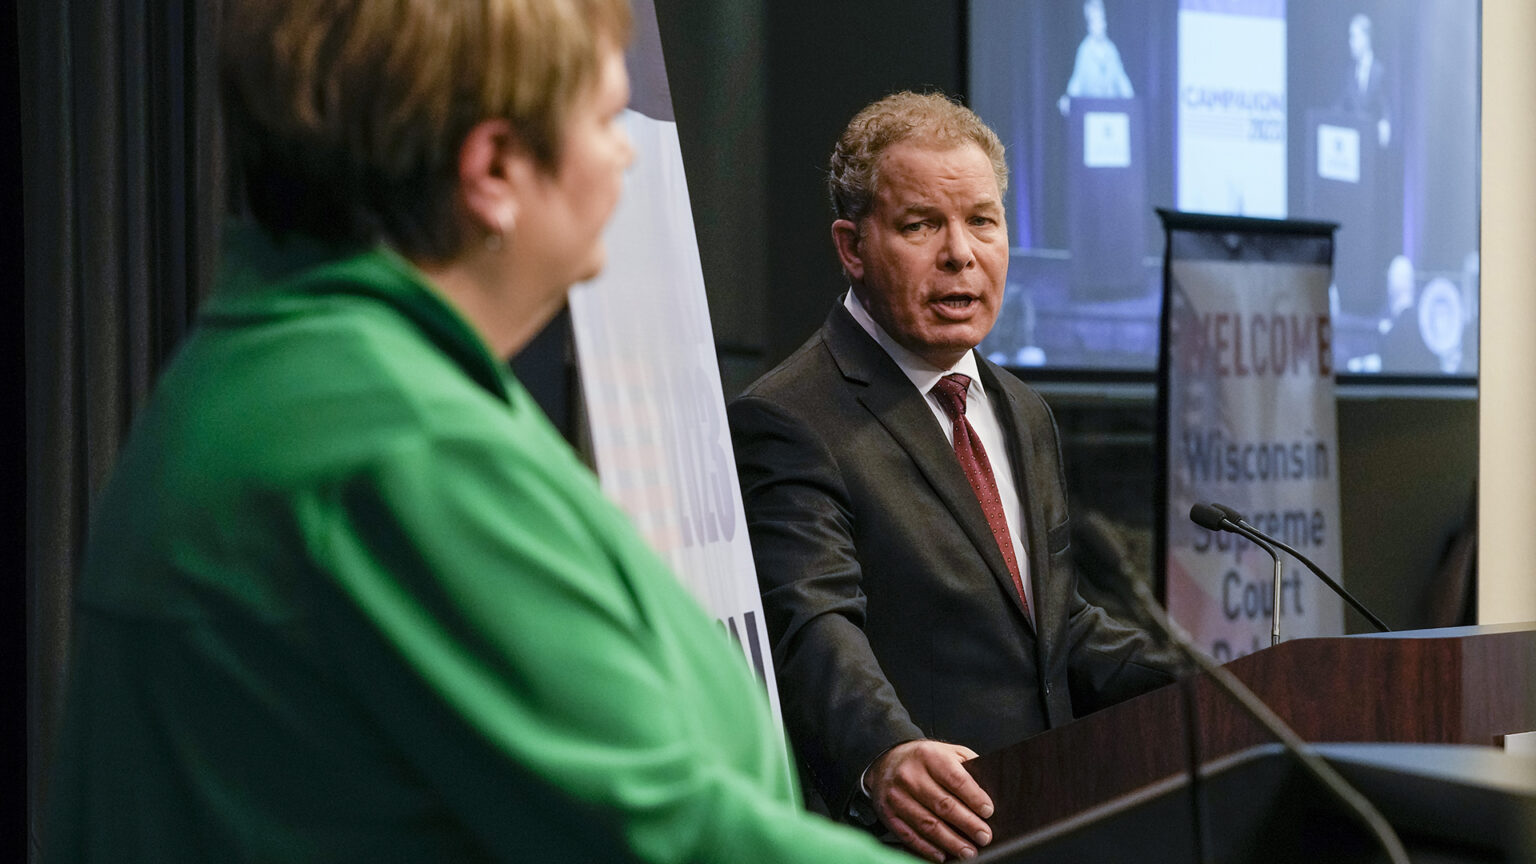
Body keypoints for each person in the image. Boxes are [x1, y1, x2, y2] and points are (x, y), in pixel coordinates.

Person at [41, 2, 910, 862]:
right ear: (494, 167)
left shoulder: (302, 377)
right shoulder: (400, 446)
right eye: (608, 120)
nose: (625, 153)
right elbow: (671, 836)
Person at [728, 91, 1181, 863]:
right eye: (921, 225)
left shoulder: (1022, 410)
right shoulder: (792, 417)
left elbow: (1053, 626)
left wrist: (1221, 689)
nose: (960, 254)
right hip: (916, 837)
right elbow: (814, 626)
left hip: (1052, 819)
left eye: (982, 220)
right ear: (852, 246)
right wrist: (887, 755)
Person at [1057, 0, 1135, 116]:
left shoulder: (1111, 49)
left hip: (1111, 108)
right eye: (1096, 21)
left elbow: (1120, 77)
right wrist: (1069, 98)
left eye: (1102, 20)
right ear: (1090, 25)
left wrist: (1131, 100)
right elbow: (1078, 79)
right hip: (1091, 108)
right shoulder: (1085, 50)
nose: (1101, 25)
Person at [1339, 13, 1391, 148]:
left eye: (1354, 36)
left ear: (1366, 38)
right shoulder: (1349, 71)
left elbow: (1386, 107)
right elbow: (1341, 104)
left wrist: (1385, 124)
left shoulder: (1380, 71)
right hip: (1353, 143)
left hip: (1374, 146)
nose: (1350, 42)